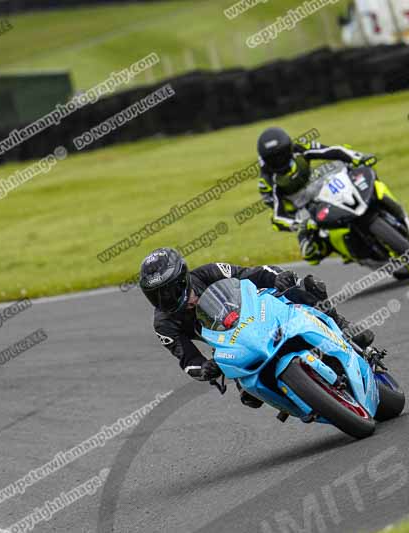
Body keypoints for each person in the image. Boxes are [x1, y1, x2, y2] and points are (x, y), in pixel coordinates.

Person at [138, 248, 373, 407]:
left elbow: (252, 273)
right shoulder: (163, 324)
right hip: (230, 343)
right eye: (156, 295)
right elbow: (187, 359)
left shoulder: (210, 272)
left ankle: (341, 325)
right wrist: (204, 369)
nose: (163, 299)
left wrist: (276, 279)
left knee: (306, 287)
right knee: (250, 397)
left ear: (182, 279)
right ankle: (303, 400)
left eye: (168, 291)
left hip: (258, 312)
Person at [256, 126, 377, 265]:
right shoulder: (267, 181)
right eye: (273, 159)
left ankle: (376, 202)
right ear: (265, 159)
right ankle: (341, 248)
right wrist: (299, 224)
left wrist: (358, 157)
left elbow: (333, 151)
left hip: (321, 185)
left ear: (289, 148)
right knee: (309, 253)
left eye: (281, 154)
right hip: (303, 208)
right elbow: (278, 216)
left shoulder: (300, 148)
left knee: (356, 172)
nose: (279, 161)